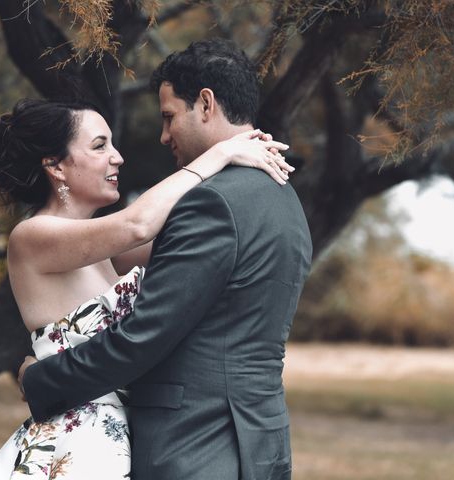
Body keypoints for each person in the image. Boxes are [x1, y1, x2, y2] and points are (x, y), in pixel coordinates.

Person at [20, 39, 313, 480]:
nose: (162, 135)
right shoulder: (283, 197)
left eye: (169, 117)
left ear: (207, 105)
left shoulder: (212, 202)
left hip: (196, 446)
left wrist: (38, 380)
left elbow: (145, 333)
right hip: (259, 439)